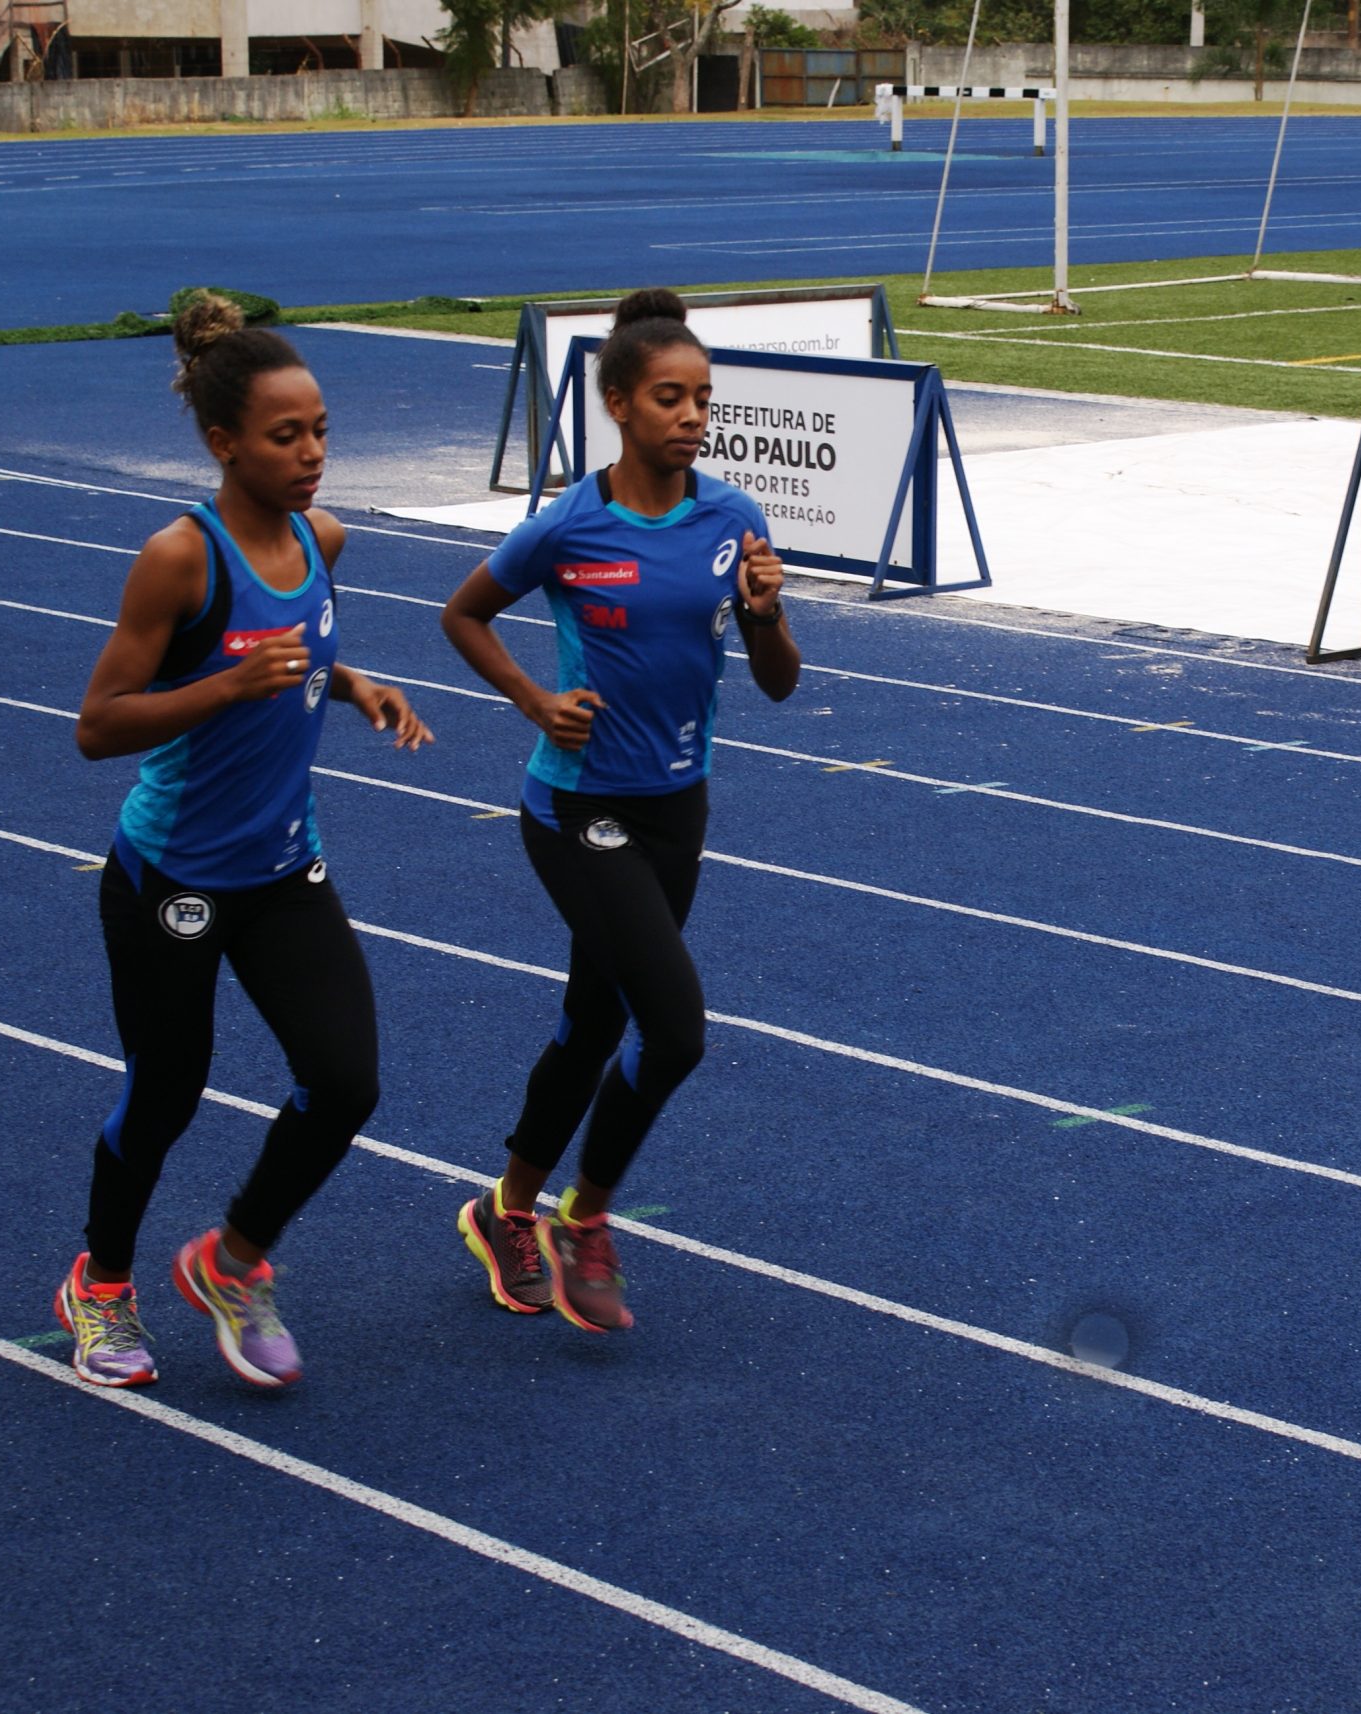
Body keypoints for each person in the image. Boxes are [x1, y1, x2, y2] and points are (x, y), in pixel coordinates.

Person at [52, 292, 432, 1390]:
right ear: (225, 444)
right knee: (168, 1091)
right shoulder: (180, 558)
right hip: (171, 874)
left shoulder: (324, 537)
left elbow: (301, 645)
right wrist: (225, 685)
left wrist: (351, 681)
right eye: (285, 436)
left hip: (281, 869)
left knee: (345, 1081)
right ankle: (104, 1285)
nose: (312, 455)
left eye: (320, 432)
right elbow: (97, 725)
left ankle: (233, 1259)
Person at [441, 287, 800, 1333]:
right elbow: (463, 614)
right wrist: (534, 699)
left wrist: (769, 614)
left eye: (702, 399)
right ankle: (583, 1217)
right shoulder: (569, 522)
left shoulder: (733, 520)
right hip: (574, 807)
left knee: (594, 1018)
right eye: (669, 398)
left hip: (676, 807)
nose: (692, 416)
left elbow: (776, 680)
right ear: (616, 405)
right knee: (674, 1029)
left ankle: (505, 1206)